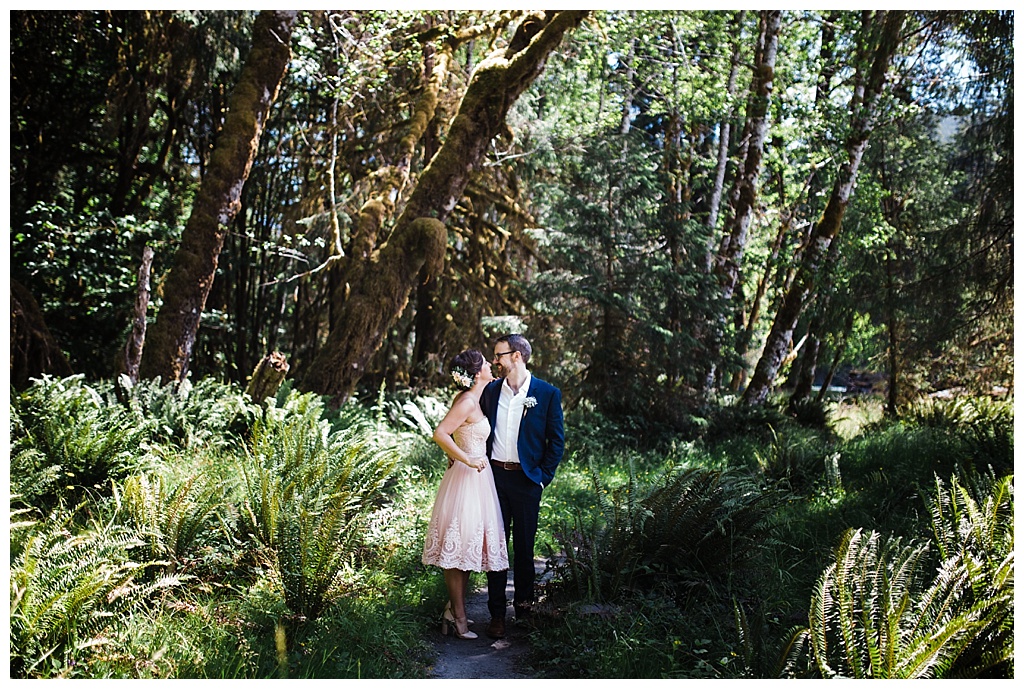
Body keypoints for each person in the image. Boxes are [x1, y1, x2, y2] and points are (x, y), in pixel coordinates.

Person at [481, 333, 565, 639]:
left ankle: (525, 611)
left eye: (499, 355)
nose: (495, 361)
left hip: (528, 481)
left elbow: (556, 442)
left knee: (524, 550)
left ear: (517, 356)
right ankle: (497, 615)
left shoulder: (547, 392)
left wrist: (542, 478)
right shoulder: (490, 392)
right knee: (497, 550)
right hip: (494, 480)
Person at [422, 349, 509, 640]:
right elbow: (440, 433)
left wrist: (460, 454)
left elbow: (456, 435)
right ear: (475, 373)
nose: (490, 365)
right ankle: (459, 619)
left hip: (479, 482)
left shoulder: (476, 400)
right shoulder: (468, 401)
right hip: (466, 479)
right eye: (485, 363)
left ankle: (452, 608)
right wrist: (466, 458)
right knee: (458, 548)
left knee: (467, 549)